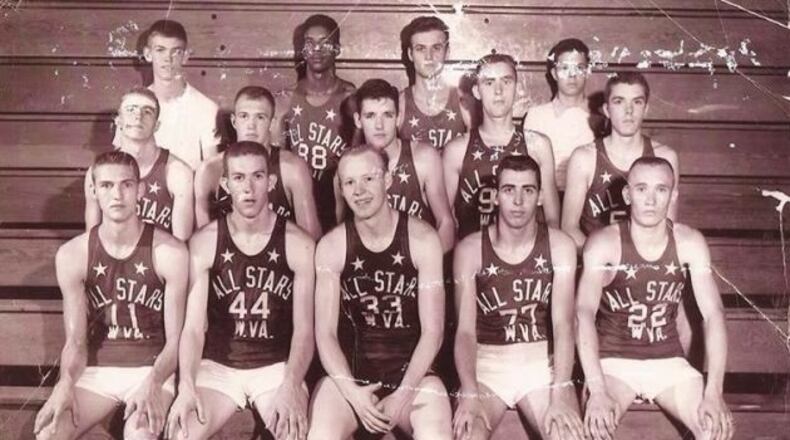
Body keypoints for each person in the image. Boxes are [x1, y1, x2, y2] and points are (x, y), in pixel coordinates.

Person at [165, 142, 316, 440]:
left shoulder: (299, 244)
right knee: (179, 435)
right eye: (238, 178)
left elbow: (304, 331)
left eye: (257, 176)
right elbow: (193, 329)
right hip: (218, 366)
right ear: (225, 185)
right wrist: (187, 386)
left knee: (294, 435)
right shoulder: (204, 242)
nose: (248, 188)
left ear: (271, 182)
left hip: (276, 367)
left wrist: (291, 384)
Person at [34, 151, 188, 439]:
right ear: (93, 191)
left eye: (126, 184)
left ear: (140, 190)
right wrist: (65, 382)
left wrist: (154, 381)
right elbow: (75, 341)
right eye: (106, 185)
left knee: (139, 435)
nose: (117, 195)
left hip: (151, 369)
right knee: (48, 434)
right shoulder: (72, 254)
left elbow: (176, 341)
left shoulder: (170, 252)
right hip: (97, 371)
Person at [576, 157, 732, 440]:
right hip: (613, 362)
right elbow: (582, 314)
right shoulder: (604, 243)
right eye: (641, 189)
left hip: (668, 361)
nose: (650, 200)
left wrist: (714, 392)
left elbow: (714, 315)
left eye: (661, 190)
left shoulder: (690, 242)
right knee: (594, 431)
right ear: (627, 195)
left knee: (714, 429)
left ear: (673, 195)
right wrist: (597, 389)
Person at [308, 146, 452, 439]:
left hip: (415, 379)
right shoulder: (331, 247)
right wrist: (354, 394)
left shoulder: (423, 240)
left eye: (368, 179)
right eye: (350, 182)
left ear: (387, 180)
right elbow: (325, 334)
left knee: (435, 433)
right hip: (351, 379)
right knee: (320, 434)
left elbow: (433, 332)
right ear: (341, 190)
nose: (359, 191)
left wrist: (400, 397)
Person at [452, 155, 583, 440]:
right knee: (467, 436)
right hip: (486, 365)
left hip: (541, 364)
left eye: (528, 190)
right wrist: (469, 391)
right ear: (495, 196)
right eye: (509, 189)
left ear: (541, 196)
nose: (519, 201)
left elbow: (564, 325)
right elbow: (464, 332)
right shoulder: (470, 250)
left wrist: (560, 391)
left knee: (568, 436)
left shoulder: (560, 246)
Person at [444, 54, 560, 240]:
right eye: (489, 83)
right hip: (474, 254)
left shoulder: (538, 145)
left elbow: (552, 220)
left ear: (517, 88)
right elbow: (444, 221)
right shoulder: (457, 150)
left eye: (506, 81)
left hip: (525, 252)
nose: (498, 91)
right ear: (476, 91)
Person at [562, 72, 679, 251]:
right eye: (619, 101)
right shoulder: (584, 158)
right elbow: (569, 228)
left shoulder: (665, 157)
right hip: (596, 260)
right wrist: (604, 257)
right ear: (606, 110)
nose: (628, 110)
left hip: (646, 259)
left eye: (637, 102)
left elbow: (668, 226)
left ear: (646, 109)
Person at [194, 86, 321, 240]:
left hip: (280, 253)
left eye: (260, 117)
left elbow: (311, 240)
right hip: (228, 254)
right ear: (234, 121)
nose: (251, 125)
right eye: (244, 116)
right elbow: (202, 241)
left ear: (272, 123)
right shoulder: (210, 170)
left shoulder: (292, 168)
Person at [276, 14, 356, 233]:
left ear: (337, 49)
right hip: (294, 204)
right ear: (303, 50)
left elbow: (358, 160)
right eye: (310, 43)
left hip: (338, 203)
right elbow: (276, 161)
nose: (317, 49)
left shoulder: (351, 98)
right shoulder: (285, 99)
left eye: (324, 43)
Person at [353, 78, 455, 252]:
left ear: (398, 118)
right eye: (370, 116)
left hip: (418, 261)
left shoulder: (423, 158)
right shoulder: (348, 167)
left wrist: (429, 262)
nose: (379, 125)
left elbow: (445, 223)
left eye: (387, 115)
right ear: (358, 120)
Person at [87, 87, 194, 241]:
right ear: (118, 121)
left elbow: (181, 246)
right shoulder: (98, 172)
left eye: (147, 111)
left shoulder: (178, 172)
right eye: (131, 110)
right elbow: (92, 243)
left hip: (160, 255)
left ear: (157, 125)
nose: (138, 116)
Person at [114, 20, 220, 171]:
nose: (168, 59)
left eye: (176, 51)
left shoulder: (207, 109)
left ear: (185, 56)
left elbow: (212, 172)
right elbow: (120, 166)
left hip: (189, 186)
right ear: (148, 54)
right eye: (160, 50)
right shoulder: (131, 106)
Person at [524, 38, 599, 191]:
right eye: (564, 68)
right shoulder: (536, 117)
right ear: (554, 73)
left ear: (587, 71)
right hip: (545, 198)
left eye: (579, 68)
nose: (572, 75)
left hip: (587, 198)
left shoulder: (599, 119)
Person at [398, 16, 471, 150]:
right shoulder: (400, 104)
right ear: (410, 54)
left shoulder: (464, 102)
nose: (429, 57)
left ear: (447, 53)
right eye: (420, 48)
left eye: (436, 48)